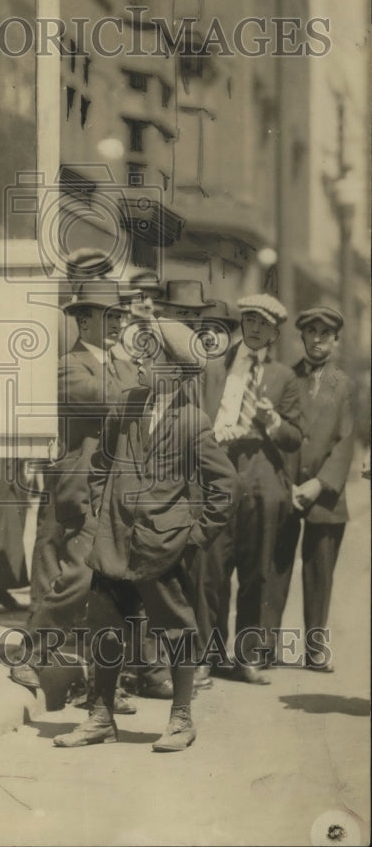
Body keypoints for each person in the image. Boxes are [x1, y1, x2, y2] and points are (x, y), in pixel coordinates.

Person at [53, 319, 239, 751]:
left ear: (173, 369)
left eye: (150, 353)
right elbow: (101, 463)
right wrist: (101, 514)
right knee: (105, 629)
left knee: (176, 630)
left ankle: (180, 719)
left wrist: (193, 536)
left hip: (163, 547)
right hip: (114, 542)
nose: (139, 359)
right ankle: (100, 716)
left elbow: (226, 487)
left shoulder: (193, 422)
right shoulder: (126, 404)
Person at [10, 251, 140, 711]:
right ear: (82, 322)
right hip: (80, 489)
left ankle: (104, 685)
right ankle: (31, 652)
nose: (114, 324)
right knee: (76, 577)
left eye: (118, 317)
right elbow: (102, 398)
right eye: (106, 316)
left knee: (112, 591)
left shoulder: (125, 368)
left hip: (118, 492)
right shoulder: (70, 365)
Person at [190, 293, 303, 684]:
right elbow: (196, 415)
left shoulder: (283, 377)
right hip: (219, 472)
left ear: (274, 332)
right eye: (249, 319)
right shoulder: (215, 365)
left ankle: (247, 655)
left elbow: (293, 438)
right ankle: (207, 653)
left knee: (256, 572)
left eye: (263, 323)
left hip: (261, 478)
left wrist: (272, 423)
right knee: (210, 569)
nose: (254, 328)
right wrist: (210, 434)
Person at [275, 306, 355, 671]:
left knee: (320, 570)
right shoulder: (284, 377)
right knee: (275, 565)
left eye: (326, 333)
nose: (318, 339)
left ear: (335, 340)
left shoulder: (345, 385)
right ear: (302, 336)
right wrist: (287, 483)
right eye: (312, 332)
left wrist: (320, 483)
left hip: (325, 492)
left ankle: (315, 648)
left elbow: (346, 440)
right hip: (287, 487)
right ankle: (263, 644)